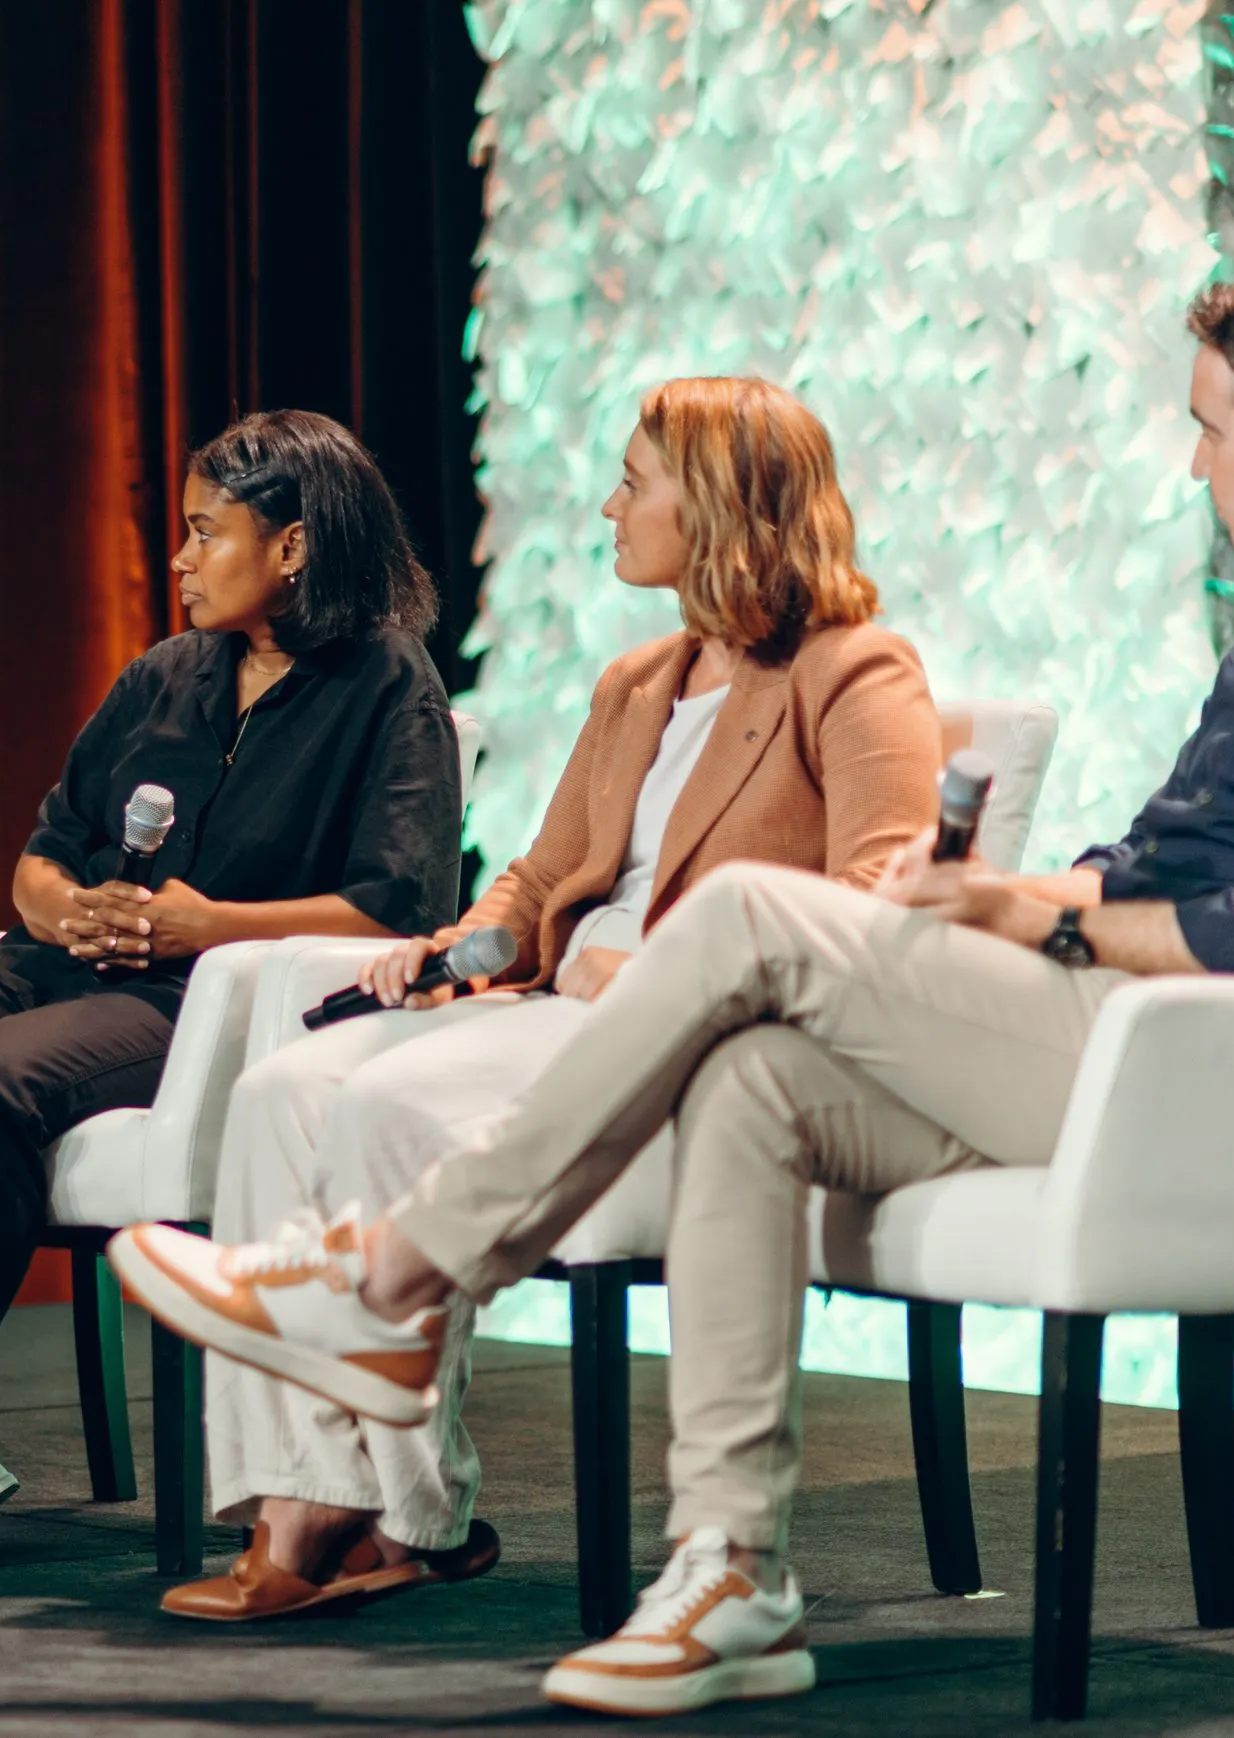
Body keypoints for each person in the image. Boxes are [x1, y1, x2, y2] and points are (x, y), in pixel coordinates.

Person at [116, 269, 1234, 1714]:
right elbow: (1161, 857)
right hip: (1141, 1032)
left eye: (1209, 430)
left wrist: (1036, 914)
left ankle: (394, 1280)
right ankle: (730, 1568)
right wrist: (1045, 901)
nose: (1193, 460)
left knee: (754, 911)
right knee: (754, 1086)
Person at [160, 377, 942, 1624]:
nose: (606, 506)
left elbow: (877, 896)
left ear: (724, 505)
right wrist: (460, 941)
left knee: (383, 1110)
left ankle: (367, 1517)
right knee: (281, 1094)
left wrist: (656, 971)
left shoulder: (855, 672)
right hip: (552, 1006)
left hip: (694, 1033)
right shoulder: (639, 681)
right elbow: (538, 873)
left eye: (634, 484)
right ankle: (320, 1498)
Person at [0, 409, 463, 1576]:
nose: (181, 558)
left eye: (206, 532)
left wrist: (205, 924)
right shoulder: (164, 673)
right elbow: (44, 850)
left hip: (202, 1000)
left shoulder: (385, 687)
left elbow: (401, 906)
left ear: (295, 547)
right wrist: (62, 905)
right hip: (46, 963)